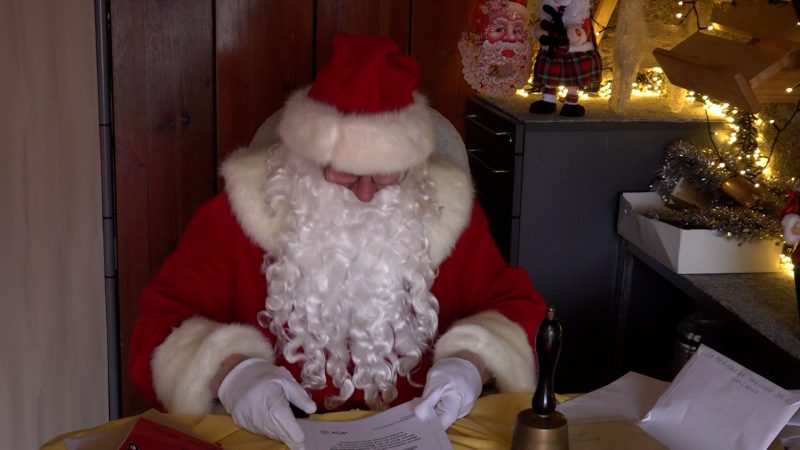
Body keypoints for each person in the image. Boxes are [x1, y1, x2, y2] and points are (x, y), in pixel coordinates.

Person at [129, 33, 547, 449]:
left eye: (385, 174)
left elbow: (516, 309)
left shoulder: (445, 211)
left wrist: (472, 363)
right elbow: (157, 328)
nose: (365, 194)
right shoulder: (239, 212)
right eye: (344, 173)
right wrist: (232, 373)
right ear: (306, 157)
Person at [528, 0, 602, 117]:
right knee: (550, 78)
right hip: (552, 49)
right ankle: (548, 100)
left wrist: (576, 34)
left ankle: (571, 103)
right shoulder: (546, 10)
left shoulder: (580, 14)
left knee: (572, 80)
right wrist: (539, 31)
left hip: (574, 52)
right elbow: (538, 25)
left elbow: (585, 30)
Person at [458, 0, 533, 97]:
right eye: (499, 29)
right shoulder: (476, 58)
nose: (510, 38)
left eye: (517, 31)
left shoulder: (519, 63)